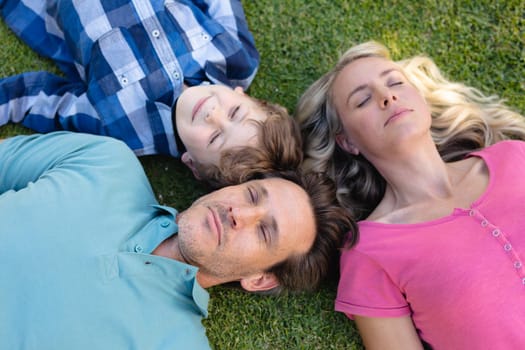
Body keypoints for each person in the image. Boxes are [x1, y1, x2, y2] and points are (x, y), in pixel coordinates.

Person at [0, 131, 354, 349]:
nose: (239, 213)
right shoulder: (104, 162)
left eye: (263, 230)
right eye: (250, 195)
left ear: (260, 279)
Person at [296, 41, 525, 349]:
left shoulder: (514, 158)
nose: (387, 96)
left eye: (396, 83)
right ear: (347, 141)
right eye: (363, 100)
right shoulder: (371, 252)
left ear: (421, 99)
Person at [0, 0, 299, 184]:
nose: (213, 114)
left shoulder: (123, 131)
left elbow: (39, 100)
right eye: (235, 112)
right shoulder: (236, 57)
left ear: (192, 164)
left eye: (215, 137)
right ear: (242, 95)